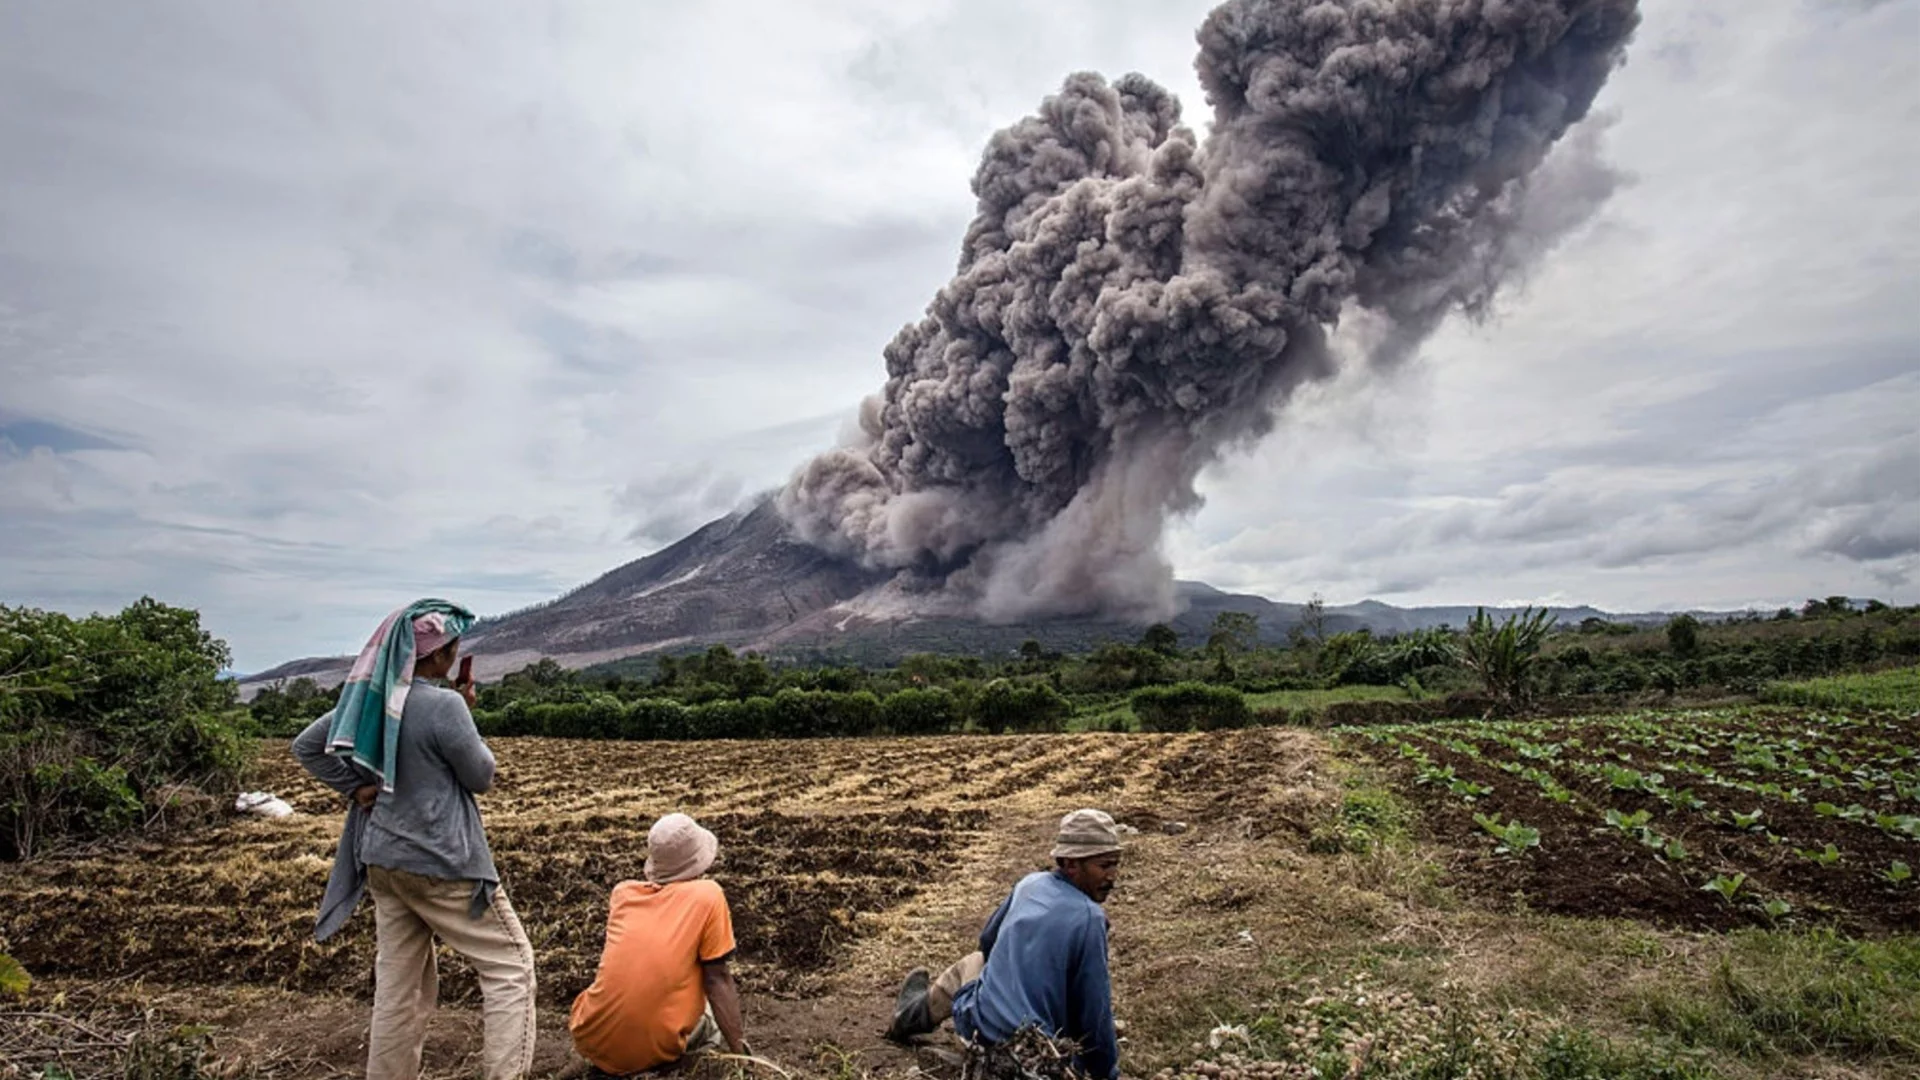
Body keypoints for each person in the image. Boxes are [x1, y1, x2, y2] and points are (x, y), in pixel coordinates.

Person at [291, 600, 535, 1080]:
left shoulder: (368, 702)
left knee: (399, 989)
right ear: (442, 655)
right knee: (511, 967)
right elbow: (481, 775)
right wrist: (465, 716)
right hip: (444, 860)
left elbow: (307, 746)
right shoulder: (444, 705)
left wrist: (357, 787)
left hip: (383, 858)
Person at [886, 808, 1123, 1080]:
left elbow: (988, 942)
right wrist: (1107, 1073)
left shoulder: (1029, 884)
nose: (1112, 876)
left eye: (1115, 864)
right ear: (1071, 864)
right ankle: (908, 1015)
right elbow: (1094, 1012)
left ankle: (907, 1017)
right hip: (1037, 1056)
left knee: (974, 963)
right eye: (1104, 866)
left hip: (981, 1032)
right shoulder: (1090, 918)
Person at [566, 813, 748, 1076]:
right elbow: (717, 979)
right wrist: (742, 1056)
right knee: (709, 1017)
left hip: (591, 1035)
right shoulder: (708, 896)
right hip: (650, 1047)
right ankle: (681, 1068)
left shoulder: (623, 894)